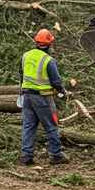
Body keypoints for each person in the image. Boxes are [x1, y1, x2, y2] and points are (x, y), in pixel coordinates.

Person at [19, 28, 67, 166]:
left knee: (28, 126)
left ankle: (26, 155)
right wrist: (62, 91)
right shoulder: (48, 60)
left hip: (27, 96)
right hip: (43, 97)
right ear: (49, 44)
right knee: (51, 125)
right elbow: (56, 81)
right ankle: (56, 154)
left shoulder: (25, 56)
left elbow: (21, 74)